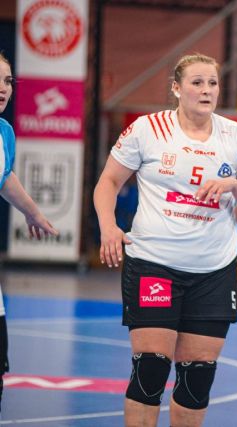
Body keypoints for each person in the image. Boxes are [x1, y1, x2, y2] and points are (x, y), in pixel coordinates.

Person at [94, 53, 237, 427]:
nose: (206, 90)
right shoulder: (147, 129)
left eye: (212, 83)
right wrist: (108, 226)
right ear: (176, 88)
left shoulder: (236, 136)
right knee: (150, 371)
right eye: (197, 82)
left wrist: (235, 185)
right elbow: (108, 181)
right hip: (154, 264)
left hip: (214, 271)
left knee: (196, 379)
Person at [0, 52, 59, 411]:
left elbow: (4, 177)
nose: (3, 88)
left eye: (7, 81)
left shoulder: (4, 133)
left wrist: (32, 212)